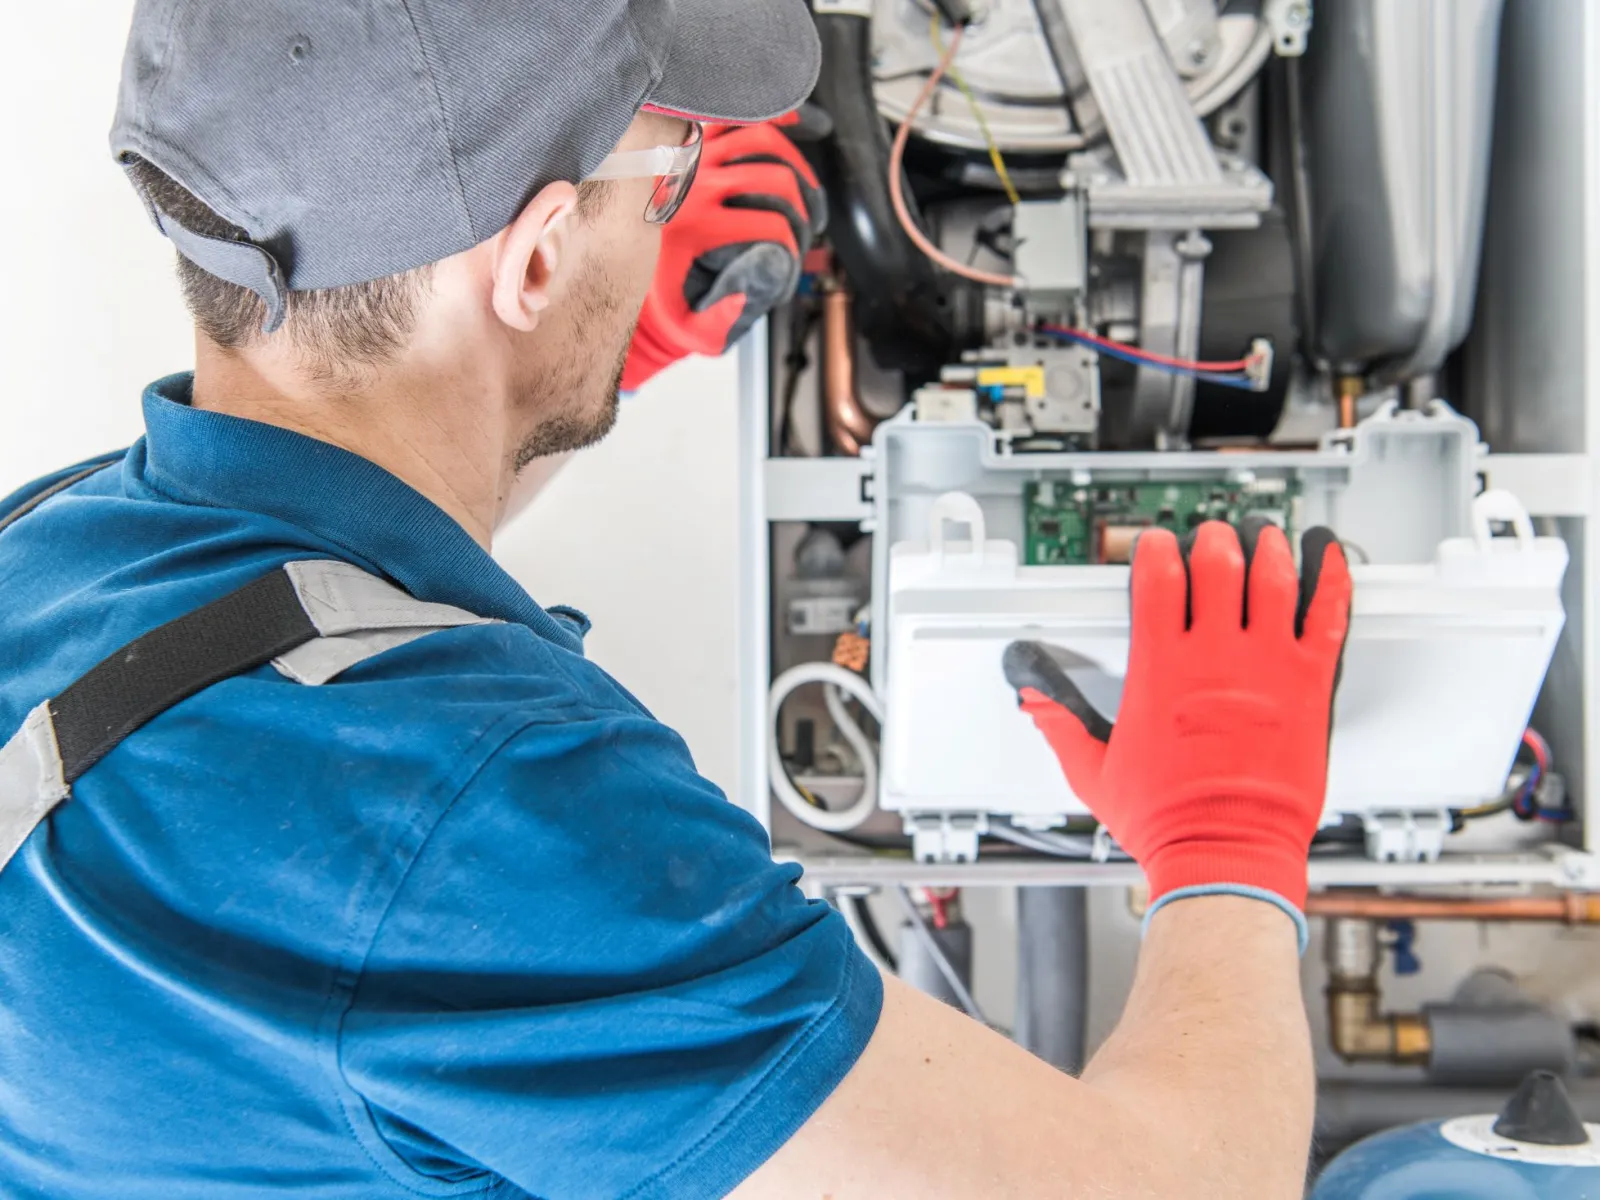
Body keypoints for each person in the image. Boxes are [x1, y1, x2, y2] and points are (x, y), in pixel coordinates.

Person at [0, 1, 1352, 1197]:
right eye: (669, 166)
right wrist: (1230, 838)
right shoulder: (487, 820)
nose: (679, 206)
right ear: (529, 265)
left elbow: (329, 580)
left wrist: (585, 356)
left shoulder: (58, 552)